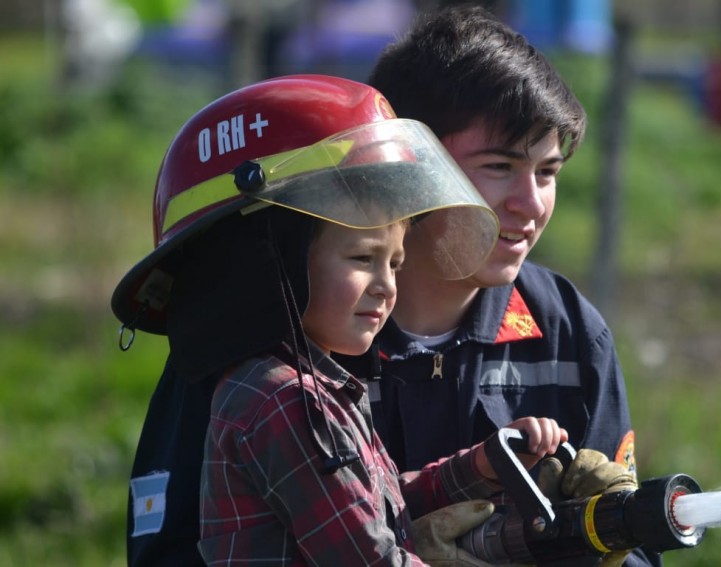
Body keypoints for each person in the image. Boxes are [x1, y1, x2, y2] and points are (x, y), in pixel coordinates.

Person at [112, 74, 567, 565]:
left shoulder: (317, 387)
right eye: (360, 258)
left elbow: (376, 504)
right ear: (275, 263)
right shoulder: (286, 402)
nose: (386, 285)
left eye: (394, 263)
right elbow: (370, 554)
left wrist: (481, 464)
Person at [335, 5, 662, 566]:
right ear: (403, 165)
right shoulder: (295, 325)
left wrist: (603, 540)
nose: (530, 205)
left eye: (547, 172)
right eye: (498, 167)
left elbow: (638, 557)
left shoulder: (569, 330)